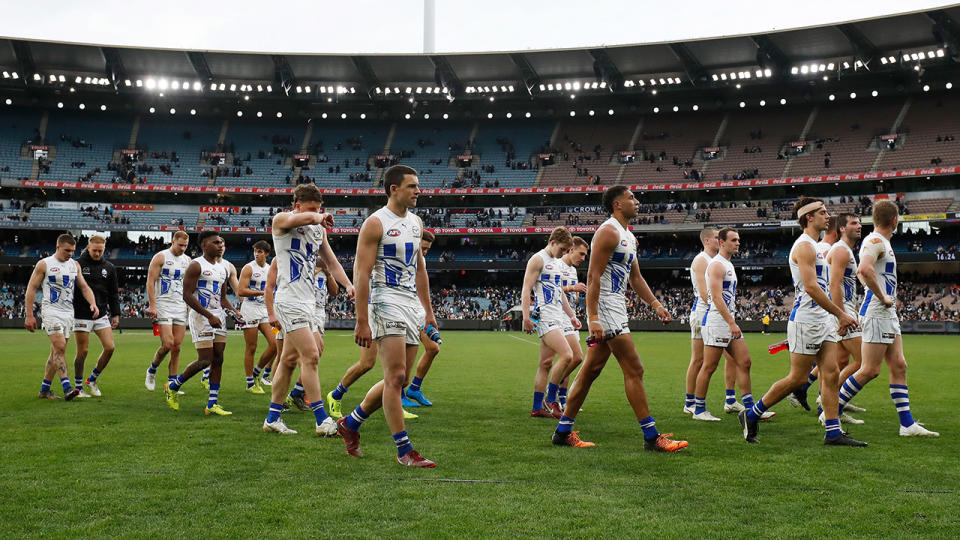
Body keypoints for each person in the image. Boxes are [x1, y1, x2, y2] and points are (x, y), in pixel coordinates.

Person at [551, 185, 687, 452]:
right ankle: (651, 437)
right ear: (617, 204)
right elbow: (592, 277)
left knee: (591, 370)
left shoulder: (628, 236)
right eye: (631, 198)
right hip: (606, 307)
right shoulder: (608, 232)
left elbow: (635, 278)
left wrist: (655, 304)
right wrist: (594, 317)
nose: (637, 201)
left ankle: (563, 431)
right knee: (634, 369)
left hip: (616, 306)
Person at [738, 198, 864, 446]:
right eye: (822, 212)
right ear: (809, 217)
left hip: (822, 319)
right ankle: (751, 414)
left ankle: (833, 431)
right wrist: (841, 313)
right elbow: (811, 288)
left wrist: (834, 315)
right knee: (797, 379)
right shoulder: (804, 246)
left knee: (831, 374)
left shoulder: (817, 247)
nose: (828, 216)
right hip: (806, 320)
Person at [337, 165, 439, 467]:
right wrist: (361, 319)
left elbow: (420, 270)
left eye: (418, 185)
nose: (418, 191)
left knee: (401, 379)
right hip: (384, 301)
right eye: (412, 186)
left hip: (409, 304)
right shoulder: (375, 223)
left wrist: (428, 312)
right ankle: (404, 450)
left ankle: (351, 423)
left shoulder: (416, 222)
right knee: (395, 377)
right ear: (393, 189)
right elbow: (362, 273)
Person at [835, 201, 938, 437]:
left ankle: (907, 425)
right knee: (869, 370)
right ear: (895, 220)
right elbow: (863, 270)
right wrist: (883, 296)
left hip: (886, 314)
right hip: (877, 312)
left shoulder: (882, 243)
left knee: (899, 365)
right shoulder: (875, 242)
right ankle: (830, 409)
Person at [261, 184, 353, 437]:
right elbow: (302, 219)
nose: (316, 213)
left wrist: (348, 285)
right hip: (289, 300)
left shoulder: (318, 231)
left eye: (319, 208)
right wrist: (318, 217)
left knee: (290, 361)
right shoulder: (282, 220)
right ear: (297, 205)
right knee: (311, 356)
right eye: (311, 209)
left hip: (309, 303)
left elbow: (332, 262)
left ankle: (272, 418)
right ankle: (322, 420)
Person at [324, 231, 438, 420]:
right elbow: (362, 271)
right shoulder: (384, 248)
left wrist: (425, 314)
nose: (424, 252)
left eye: (426, 250)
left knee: (400, 374)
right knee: (367, 363)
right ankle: (336, 395)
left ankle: (394, 404)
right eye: (423, 248)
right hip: (376, 307)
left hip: (406, 311)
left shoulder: (417, 260)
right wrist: (362, 314)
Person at [163, 231, 243, 415]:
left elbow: (223, 299)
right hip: (201, 317)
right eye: (216, 242)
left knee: (218, 359)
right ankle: (173, 386)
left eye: (222, 242)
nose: (220, 245)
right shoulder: (196, 265)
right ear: (204, 245)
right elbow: (187, 295)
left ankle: (212, 404)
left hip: (218, 316)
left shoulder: (224, 268)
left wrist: (233, 311)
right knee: (205, 359)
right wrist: (208, 315)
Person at [693, 227, 762, 422]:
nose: (737, 243)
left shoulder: (728, 264)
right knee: (709, 366)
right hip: (716, 321)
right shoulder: (716, 265)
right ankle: (699, 410)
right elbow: (715, 297)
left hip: (726, 321)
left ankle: (751, 410)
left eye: (738, 240)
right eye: (733, 240)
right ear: (722, 243)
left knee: (745, 361)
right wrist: (731, 322)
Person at [25, 234, 99, 400]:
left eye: (72, 251)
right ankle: (67, 387)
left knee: (56, 352)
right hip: (51, 311)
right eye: (67, 250)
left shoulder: (74, 265)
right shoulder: (45, 264)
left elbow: (84, 287)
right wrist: (29, 315)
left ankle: (45, 390)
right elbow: (31, 288)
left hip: (68, 313)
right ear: (58, 247)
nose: (70, 254)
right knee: (60, 347)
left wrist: (92, 303)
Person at [684, 227, 746, 416]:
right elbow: (705, 294)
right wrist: (720, 315)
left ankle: (730, 399)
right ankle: (691, 402)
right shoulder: (702, 260)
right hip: (704, 313)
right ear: (707, 241)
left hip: (714, 313)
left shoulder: (718, 261)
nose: (720, 239)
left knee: (732, 358)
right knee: (700, 360)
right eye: (717, 237)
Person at [522, 226, 579, 419]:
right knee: (568, 355)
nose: (563, 253)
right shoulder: (538, 259)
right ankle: (552, 399)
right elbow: (526, 288)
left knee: (545, 364)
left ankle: (537, 408)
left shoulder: (556, 263)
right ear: (553, 242)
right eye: (562, 249)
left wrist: (571, 315)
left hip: (557, 316)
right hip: (545, 316)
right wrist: (526, 316)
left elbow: (559, 292)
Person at [543, 236, 589, 411]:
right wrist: (572, 288)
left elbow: (572, 296)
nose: (583, 258)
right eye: (581, 254)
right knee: (574, 356)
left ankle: (561, 399)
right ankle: (551, 393)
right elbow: (550, 288)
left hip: (569, 316)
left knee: (572, 358)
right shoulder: (557, 265)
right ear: (571, 250)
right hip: (557, 315)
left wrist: (580, 298)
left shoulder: (573, 270)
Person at [72, 235, 120, 397]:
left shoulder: (109, 267)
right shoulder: (77, 264)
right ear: (88, 246)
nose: (98, 253)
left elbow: (113, 293)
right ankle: (78, 388)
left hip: (101, 314)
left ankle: (92, 379)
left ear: (104, 249)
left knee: (110, 347)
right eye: (95, 250)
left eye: (100, 250)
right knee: (83, 351)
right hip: (81, 314)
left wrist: (116, 314)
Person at [145, 231, 191, 391]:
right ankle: (152, 369)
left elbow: (189, 287)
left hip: (180, 305)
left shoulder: (187, 261)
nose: (183, 248)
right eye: (180, 245)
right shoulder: (161, 257)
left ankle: (172, 383)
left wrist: (189, 307)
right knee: (168, 344)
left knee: (177, 346)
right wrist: (152, 305)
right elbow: (150, 281)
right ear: (173, 242)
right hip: (163, 304)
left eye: (185, 245)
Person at [237, 240, 277, 394]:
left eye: (260, 251)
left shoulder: (270, 269)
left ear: (266, 254)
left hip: (265, 311)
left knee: (275, 343)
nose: (256, 254)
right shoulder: (249, 268)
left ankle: (256, 372)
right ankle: (249, 382)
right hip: (250, 310)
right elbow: (241, 291)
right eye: (255, 251)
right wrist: (262, 293)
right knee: (251, 347)